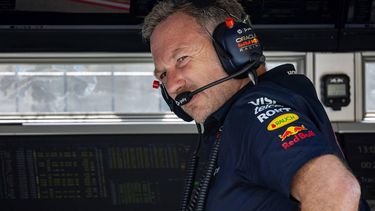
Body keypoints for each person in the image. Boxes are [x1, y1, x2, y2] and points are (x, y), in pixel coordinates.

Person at [142, 0, 370, 210]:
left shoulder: (253, 111)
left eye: (182, 59)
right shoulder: (230, 124)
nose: (172, 86)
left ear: (233, 48)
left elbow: (335, 188)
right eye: (162, 75)